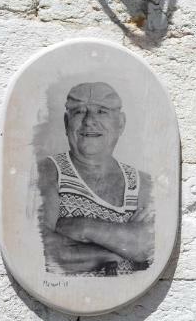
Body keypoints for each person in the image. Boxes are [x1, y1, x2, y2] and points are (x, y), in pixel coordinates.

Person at [38, 81, 154, 276]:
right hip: (67, 299)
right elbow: (43, 252)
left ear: (120, 123)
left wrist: (83, 227)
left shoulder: (142, 183)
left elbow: (148, 246)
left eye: (102, 111)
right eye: (79, 112)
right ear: (66, 123)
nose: (89, 121)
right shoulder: (49, 171)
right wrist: (118, 250)